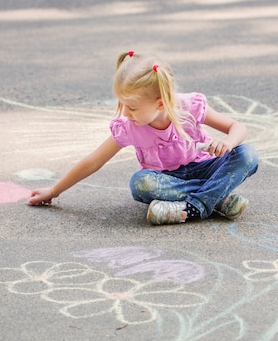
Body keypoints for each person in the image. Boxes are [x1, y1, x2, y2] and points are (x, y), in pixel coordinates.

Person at [28, 51, 259, 225]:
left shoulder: (188, 106)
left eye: (132, 107)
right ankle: (217, 198)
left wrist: (228, 142)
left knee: (246, 155)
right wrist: (54, 190)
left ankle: (194, 208)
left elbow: (237, 127)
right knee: (141, 184)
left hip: (205, 166)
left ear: (160, 102)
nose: (126, 113)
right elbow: (93, 161)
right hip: (166, 179)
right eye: (122, 105)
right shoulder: (129, 126)